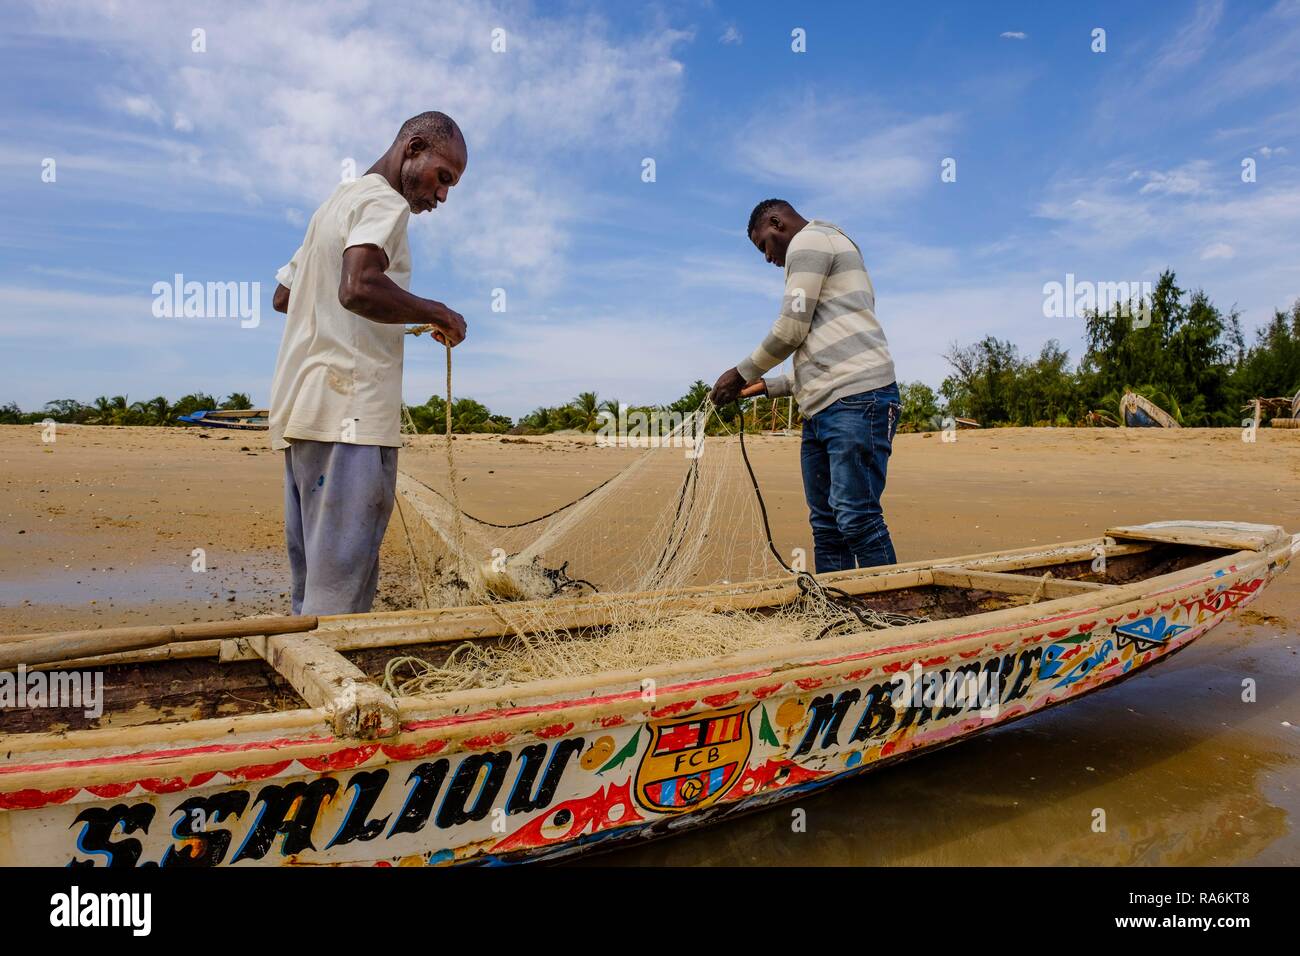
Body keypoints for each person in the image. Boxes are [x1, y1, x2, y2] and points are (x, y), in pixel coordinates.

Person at [269, 111, 468, 615]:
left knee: (310, 587)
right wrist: (435, 311)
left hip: (303, 415)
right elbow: (357, 286)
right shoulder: (385, 202)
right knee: (340, 595)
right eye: (442, 177)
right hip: (351, 418)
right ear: (414, 146)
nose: (442, 196)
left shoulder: (336, 204)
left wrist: (386, 315)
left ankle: (304, 678)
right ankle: (337, 689)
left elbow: (283, 296)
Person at [710, 199, 900, 573]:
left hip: (857, 400)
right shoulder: (821, 245)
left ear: (776, 223)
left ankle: (892, 611)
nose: (767, 258)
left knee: (857, 517)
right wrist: (768, 386)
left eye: (763, 245)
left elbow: (791, 329)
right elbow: (820, 349)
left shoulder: (810, 241)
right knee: (827, 526)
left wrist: (740, 373)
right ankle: (840, 612)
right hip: (823, 408)